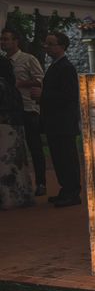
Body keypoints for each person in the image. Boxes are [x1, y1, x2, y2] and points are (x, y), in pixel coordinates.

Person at [1, 27, 46, 196]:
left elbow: (41, 81)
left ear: (15, 41)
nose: (3, 42)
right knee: (13, 150)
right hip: (10, 111)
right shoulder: (3, 62)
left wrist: (22, 84)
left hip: (28, 109)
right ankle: (17, 185)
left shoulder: (28, 59)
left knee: (35, 147)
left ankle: (41, 183)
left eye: (6, 39)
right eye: (2, 39)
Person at [39, 32, 82, 207]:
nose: (46, 47)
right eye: (46, 43)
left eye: (51, 44)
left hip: (63, 122)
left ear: (62, 46)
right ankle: (66, 189)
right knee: (58, 158)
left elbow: (69, 95)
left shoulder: (66, 68)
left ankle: (72, 192)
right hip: (55, 122)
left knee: (67, 158)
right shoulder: (55, 66)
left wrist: (43, 95)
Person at [0, 56, 34, 210]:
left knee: (5, 166)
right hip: (15, 128)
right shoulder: (12, 87)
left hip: (4, 128)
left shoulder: (2, 86)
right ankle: (21, 196)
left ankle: (7, 198)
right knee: (17, 164)